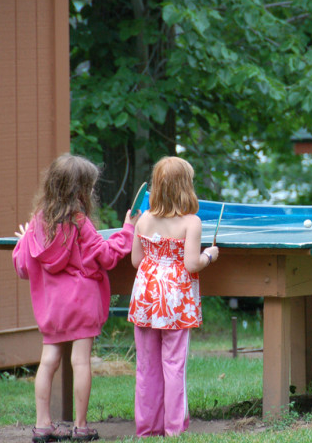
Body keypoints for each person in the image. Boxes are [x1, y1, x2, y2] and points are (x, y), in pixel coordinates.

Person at [13, 154, 137, 443]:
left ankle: (43, 425)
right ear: (79, 190)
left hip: (51, 307)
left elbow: (22, 266)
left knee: (48, 361)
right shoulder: (80, 222)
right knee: (81, 362)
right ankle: (81, 427)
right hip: (82, 302)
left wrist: (23, 240)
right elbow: (106, 256)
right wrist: (128, 229)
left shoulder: (37, 223)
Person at [127, 156, 220, 437]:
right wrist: (209, 255)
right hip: (175, 301)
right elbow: (192, 264)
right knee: (174, 364)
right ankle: (173, 428)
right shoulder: (192, 222)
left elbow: (135, 260)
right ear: (185, 187)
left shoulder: (143, 219)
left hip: (145, 297)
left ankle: (147, 427)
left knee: (146, 367)